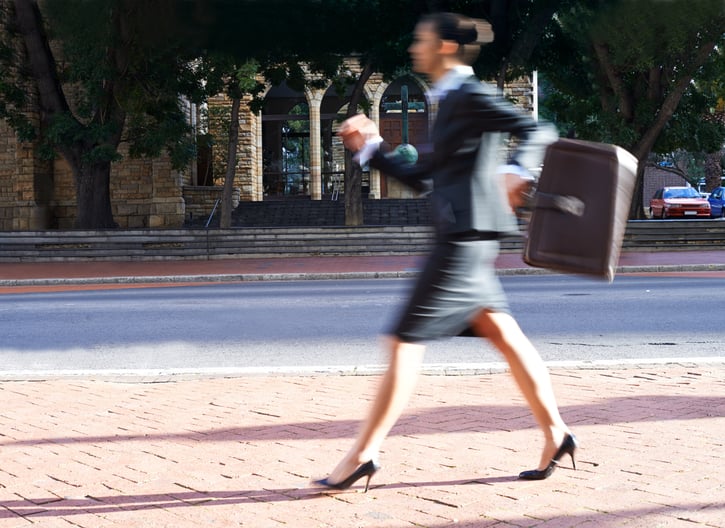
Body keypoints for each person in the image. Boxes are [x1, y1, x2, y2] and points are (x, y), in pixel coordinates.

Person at [314, 12, 576, 492]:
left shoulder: (470, 95)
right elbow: (424, 177)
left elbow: (539, 129)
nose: (415, 48)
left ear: (447, 48)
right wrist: (371, 148)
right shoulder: (450, 99)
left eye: (422, 40)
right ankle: (556, 433)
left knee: (403, 340)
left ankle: (362, 455)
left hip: (463, 239)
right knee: (505, 336)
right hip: (468, 235)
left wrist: (519, 170)